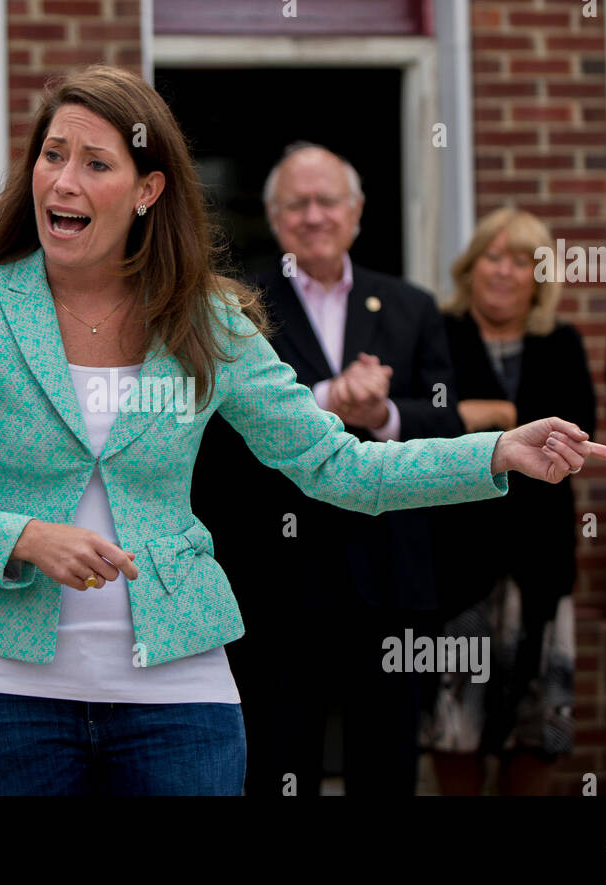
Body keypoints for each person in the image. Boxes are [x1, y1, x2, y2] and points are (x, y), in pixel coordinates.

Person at [0, 65, 606, 797]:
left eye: (95, 163)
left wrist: (494, 450)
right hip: (1, 692)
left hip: (177, 693)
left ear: (147, 190)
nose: (62, 181)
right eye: (52, 156)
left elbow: (339, 466)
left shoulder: (205, 319)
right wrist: (24, 537)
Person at [190, 142, 462, 796]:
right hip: (277, 581)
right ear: (274, 216)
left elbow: (447, 418)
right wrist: (323, 401)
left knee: (387, 764)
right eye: (297, 204)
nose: (313, 216)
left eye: (326, 201)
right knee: (279, 758)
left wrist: (383, 415)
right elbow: (210, 433)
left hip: (388, 578)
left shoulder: (410, 305)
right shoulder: (233, 304)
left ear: (357, 212)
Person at [421, 207, 596, 795]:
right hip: (456, 562)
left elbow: (580, 435)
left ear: (539, 278)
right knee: (454, 725)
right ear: (471, 269)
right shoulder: (439, 334)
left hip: (541, 560)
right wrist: (499, 423)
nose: (504, 272)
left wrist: (486, 420)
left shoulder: (562, 343)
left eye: (521, 262)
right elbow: (426, 429)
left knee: (535, 725)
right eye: (493, 258)